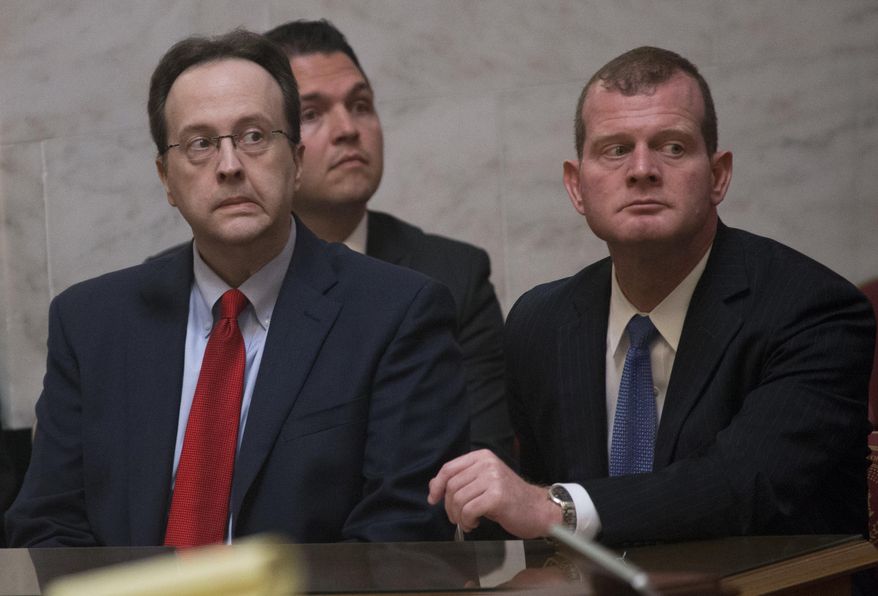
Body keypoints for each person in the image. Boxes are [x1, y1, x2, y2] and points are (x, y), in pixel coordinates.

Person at [6, 29, 468, 547]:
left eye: (253, 136)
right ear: (166, 179)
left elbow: (398, 533)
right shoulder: (90, 323)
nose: (229, 166)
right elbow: (48, 525)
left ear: (295, 160)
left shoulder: (397, 313)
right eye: (200, 143)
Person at [429, 46, 875, 545]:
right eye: (615, 149)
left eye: (673, 147)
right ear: (576, 188)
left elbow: (742, 487)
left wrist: (556, 510)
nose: (642, 169)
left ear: (719, 175)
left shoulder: (813, 310)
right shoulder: (539, 322)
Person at [263, 20, 513, 464]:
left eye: (360, 105)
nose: (348, 128)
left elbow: (484, 462)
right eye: (311, 114)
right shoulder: (212, 279)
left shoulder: (454, 276)